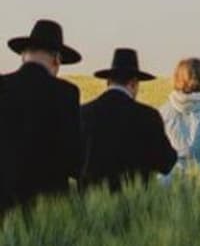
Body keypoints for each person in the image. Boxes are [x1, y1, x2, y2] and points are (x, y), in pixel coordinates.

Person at [0, 19, 82, 210]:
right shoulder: (66, 93)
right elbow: (75, 159)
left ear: (23, 56)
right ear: (56, 60)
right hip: (49, 207)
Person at [80, 48, 177, 191]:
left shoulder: (83, 112)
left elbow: (71, 163)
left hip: (88, 207)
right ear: (133, 83)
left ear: (108, 82)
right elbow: (166, 163)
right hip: (136, 205)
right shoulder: (148, 116)